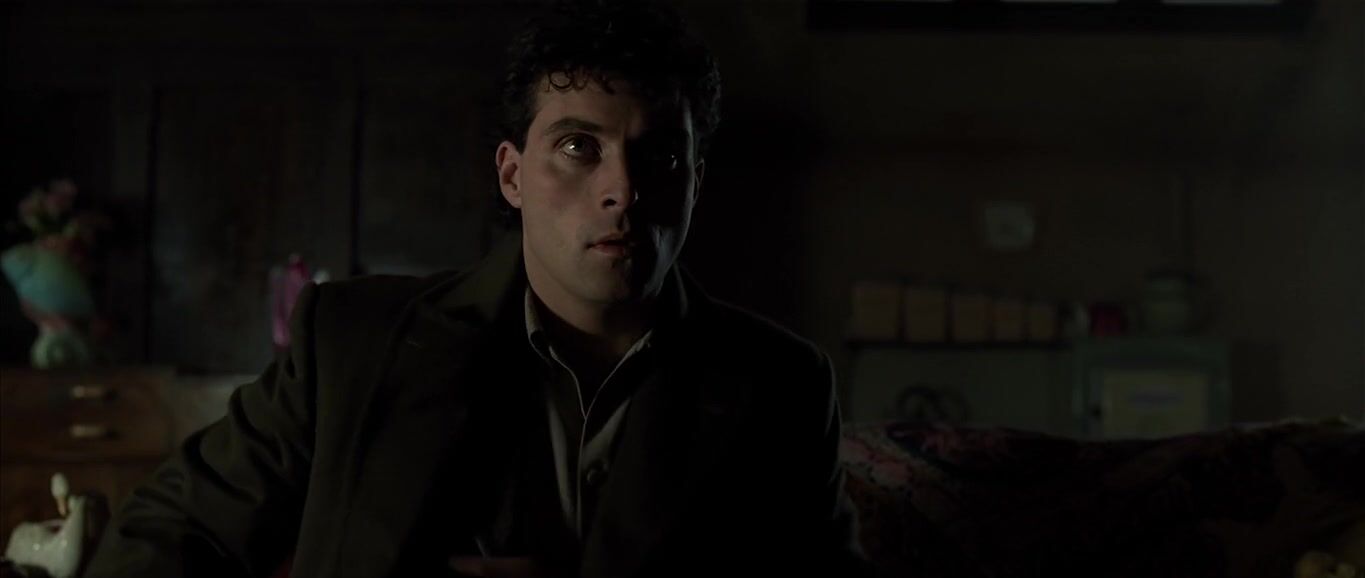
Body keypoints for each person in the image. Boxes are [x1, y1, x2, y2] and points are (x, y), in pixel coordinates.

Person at [85, 1, 869, 576]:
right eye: (578, 146)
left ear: (695, 181)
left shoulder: (780, 386)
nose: (621, 190)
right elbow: (170, 534)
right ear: (511, 174)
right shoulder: (354, 341)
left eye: (659, 157)